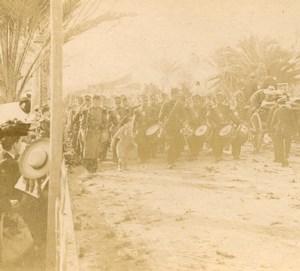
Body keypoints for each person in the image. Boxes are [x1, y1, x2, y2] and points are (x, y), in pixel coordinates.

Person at [159, 88, 185, 168]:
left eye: (177, 94)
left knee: (177, 144)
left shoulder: (180, 104)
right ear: (172, 94)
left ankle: (174, 160)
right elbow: (161, 116)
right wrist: (162, 122)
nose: (177, 95)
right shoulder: (166, 104)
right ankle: (170, 162)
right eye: (175, 94)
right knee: (170, 144)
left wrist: (183, 124)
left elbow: (184, 115)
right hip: (169, 127)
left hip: (178, 127)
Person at [81, 94, 104, 179]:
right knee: (88, 153)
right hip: (89, 134)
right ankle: (88, 171)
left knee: (96, 153)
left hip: (98, 134)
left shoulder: (102, 111)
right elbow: (82, 124)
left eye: (98, 101)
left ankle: (94, 171)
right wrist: (83, 133)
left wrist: (104, 133)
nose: (97, 103)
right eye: (95, 101)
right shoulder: (87, 110)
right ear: (93, 101)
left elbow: (104, 123)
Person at [270, 97, 296, 167]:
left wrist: (272, 129)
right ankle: (286, 157)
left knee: (280, 144)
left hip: (279, 130)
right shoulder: (290, 110)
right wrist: (293, 130)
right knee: (287, 144)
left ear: (279, 104)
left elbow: (273, 122)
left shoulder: (276, 111)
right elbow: (293, 121)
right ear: (285, 103)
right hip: (288, 130)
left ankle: (281, 159)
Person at [132, 95, 153, 163]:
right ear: (141, 101)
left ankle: (146, 158)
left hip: (147, 128)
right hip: (140, 128)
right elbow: (134, 121)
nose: (145, 102)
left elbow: (154, 119)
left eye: (146, 100)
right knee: (140, 143)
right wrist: (133, 130)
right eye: (143, 100)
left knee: (147, 143)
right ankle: (140, 157)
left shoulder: (151, 109)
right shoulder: (137, 110)